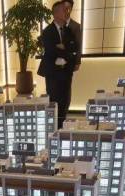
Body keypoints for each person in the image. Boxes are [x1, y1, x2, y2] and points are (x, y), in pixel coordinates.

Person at [38, 1, 78, 129]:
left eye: (67, 10)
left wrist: (63, 48)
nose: (67, 12)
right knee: (54, 101)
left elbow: (74, 49)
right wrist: (66, 50)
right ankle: (54, 129)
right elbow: (51, 51)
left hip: (66, 72)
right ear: (55, 14)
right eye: (63, 10)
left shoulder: (69, 31)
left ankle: (62, 128)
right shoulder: (47, 31)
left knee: (65, 101)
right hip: (53, 73)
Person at [62, 0, 82, 72]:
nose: (66, 9)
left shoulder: (76, 26)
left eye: (68, 7)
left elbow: (78, 44)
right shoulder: (56, 23)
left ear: (71, 9)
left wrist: (77, 61)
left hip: (69, 60)